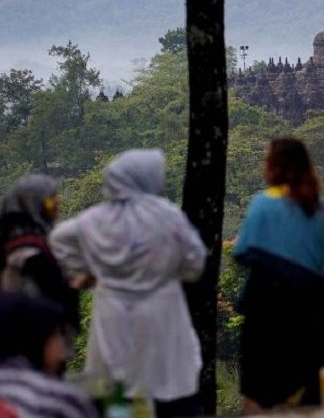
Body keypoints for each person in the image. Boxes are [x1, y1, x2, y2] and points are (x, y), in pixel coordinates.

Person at [49, 149, 207, 417]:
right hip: (164, 311)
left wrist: (91, 269)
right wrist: (171, 272)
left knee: (115, 384)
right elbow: (196, 260)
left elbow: (58, 240)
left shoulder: (97, 219)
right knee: (169, 380)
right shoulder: (167, 215)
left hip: (113, 312)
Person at [233, 138, 324, 412]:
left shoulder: (263, 203)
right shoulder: (320, 206)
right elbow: (319, 252)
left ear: (274, 165)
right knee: (306, 382)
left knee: (259, 386)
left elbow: (242, 251)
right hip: (310, 305)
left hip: (269, 305)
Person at [0, 174, 80, 334]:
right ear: (33, 204)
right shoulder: (25, 245)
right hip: (31, 335)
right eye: (50, 199)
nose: (56, 203)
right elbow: (47, 287)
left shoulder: (31, 237)